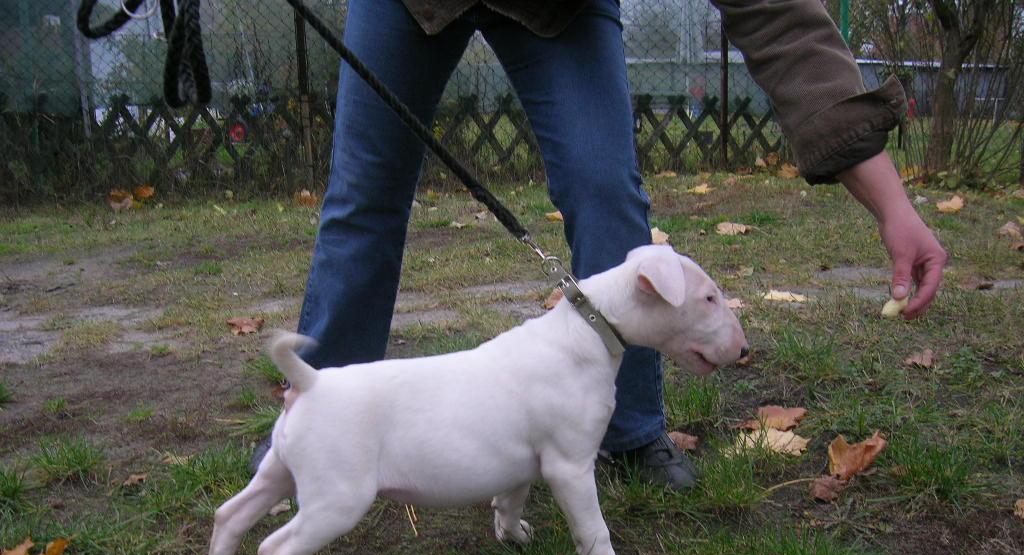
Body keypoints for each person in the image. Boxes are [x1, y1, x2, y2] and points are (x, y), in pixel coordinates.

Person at [261, 0, 947, 490]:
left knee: (605, 189)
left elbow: (778, 18)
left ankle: (630, 431)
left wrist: (891, 202)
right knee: (365, 197)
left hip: (558, 9)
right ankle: (325, 421)